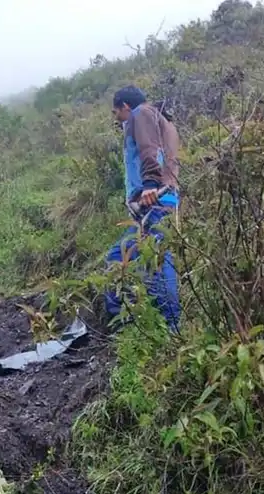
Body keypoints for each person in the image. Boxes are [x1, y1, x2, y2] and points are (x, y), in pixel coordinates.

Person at [106, 85, 182, 334]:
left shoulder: (141, 114)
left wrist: (150, 184)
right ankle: (126, 325)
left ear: (125, 106)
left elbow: (150, 149)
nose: (117, 119)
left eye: (117, 113)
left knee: (157, 260)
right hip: (157, 202)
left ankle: (172, 329)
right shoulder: (162, 120)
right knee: (120, 257)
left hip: (155, 200)